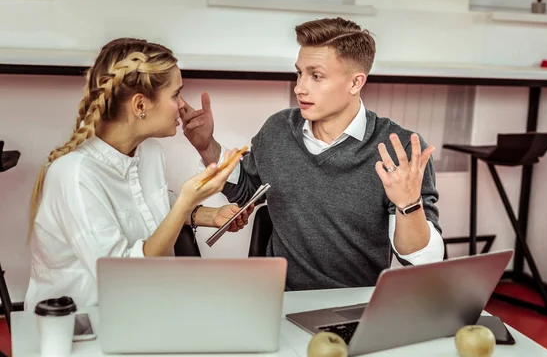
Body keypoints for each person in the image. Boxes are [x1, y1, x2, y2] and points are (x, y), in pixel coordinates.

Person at [180, 17, 445, 290]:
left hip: (352, 303)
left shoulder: (397, 149)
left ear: (356, 83)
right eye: (299, 73)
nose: (300, 87)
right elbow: (246, 190)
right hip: (279, 298)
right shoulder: (278, 129)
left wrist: (408, 205)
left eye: (316, 76)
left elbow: (421, 261)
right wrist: (205, 144)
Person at [24, 38, 251, 309]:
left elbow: (152, 206)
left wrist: (210, 216)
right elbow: (121, 276)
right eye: (175, 94)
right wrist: (186, 202)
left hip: (143, 310)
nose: (182, 105)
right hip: (83, 327)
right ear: (140, 106)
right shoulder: (75, 174)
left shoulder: (150, 152)